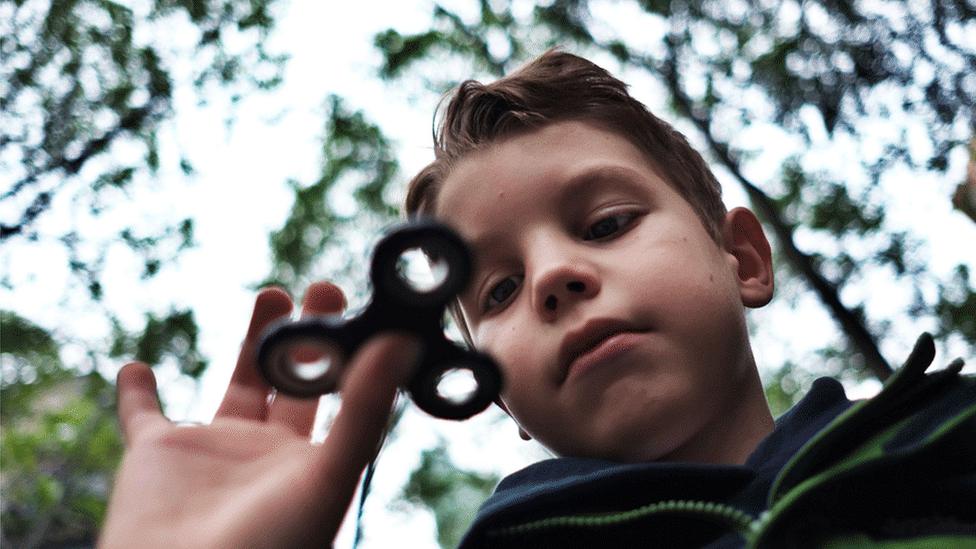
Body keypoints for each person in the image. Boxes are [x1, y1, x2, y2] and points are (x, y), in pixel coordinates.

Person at [100, 50, 975, 548]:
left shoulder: (947, 438)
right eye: (502, 290)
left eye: (604, 224)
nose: (556, 279)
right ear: (490, 386)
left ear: (742, 256)